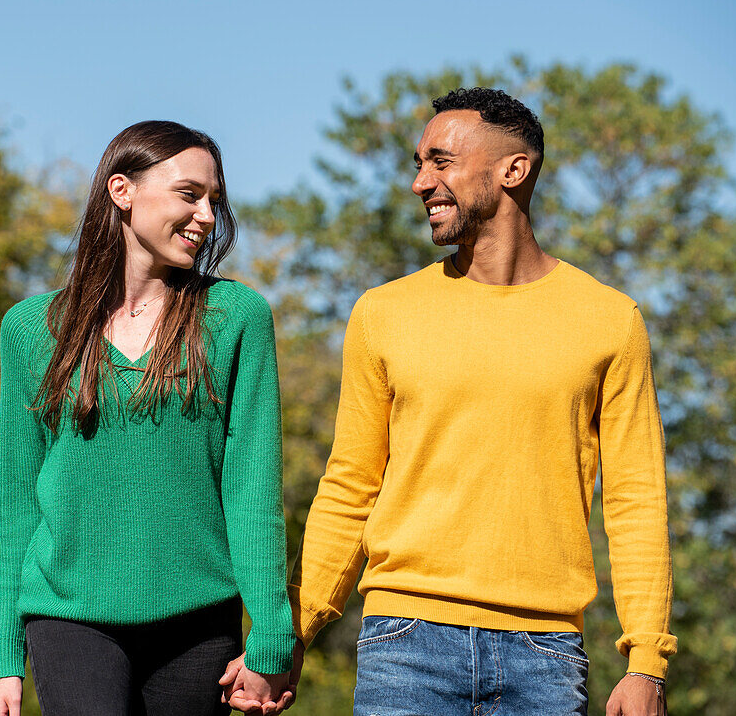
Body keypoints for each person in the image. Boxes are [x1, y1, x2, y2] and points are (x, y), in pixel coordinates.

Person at [226, 88, 676, 715]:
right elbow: (351, 486)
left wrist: (647, 662)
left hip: (546, 656)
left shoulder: (609, 320)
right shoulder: (385, 313)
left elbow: (636, 499)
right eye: (418, 163)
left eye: (440, 161)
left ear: (513, 171)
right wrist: (287, 634)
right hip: (404, 646)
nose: (419, 183)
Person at [0, 120, 295, 716]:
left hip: (200, 622)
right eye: (189, 194)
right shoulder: (30, 329)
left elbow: (253, 489)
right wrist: (6, 659)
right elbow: (17, 503)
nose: (206, 216)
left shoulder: (237, 316)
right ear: (122, 190)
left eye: (214, 201)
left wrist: (271, 637)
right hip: (68, 616)